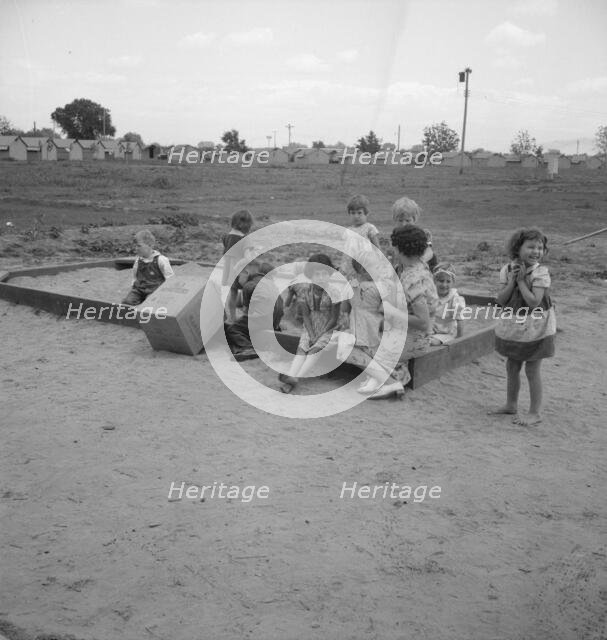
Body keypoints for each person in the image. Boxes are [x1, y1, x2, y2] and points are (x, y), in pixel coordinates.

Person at [347, 224, 438, 399]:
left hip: (414, 339)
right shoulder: (417, 265)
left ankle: (390, 383)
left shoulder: (412, 279)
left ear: (399, 248)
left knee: (348, 348)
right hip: (407, 334)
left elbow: (423, 321)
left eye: (393, 245)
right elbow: (428, 253)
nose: (390, 248)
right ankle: (392, 375)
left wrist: (390, 312)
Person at [490, 228, 556, 426]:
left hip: (537, 326)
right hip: (515, 325)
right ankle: (511, 404)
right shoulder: (507, 269)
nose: (536, 251)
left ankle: (535, 412)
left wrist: (521, 282)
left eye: (540, 247)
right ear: (518, 248)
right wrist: (512, 282)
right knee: (512, 365)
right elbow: (501, 299)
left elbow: (534, 301)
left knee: (532, 369)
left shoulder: (541, 272)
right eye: (531, 247)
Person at [278, 254, 342, 394]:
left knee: (314, 350)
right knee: (302, 348)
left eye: (324, 274)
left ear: (329, 274)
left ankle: (294, 377)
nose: (320, 277)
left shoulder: (335, 293)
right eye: (317, 274)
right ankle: (292, 376)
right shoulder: (305, 292)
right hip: (310, 326)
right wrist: (312, 333)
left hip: (329, 328)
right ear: (310, 276)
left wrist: (319, 334)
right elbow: (306, 316)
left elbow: (334, 319)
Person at [224, 261, 283, 359]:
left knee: (233, 329)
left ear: (245, 273)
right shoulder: (268, 282)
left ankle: (248, 348)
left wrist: (235, 321)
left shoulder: (249, 286)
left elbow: (246, 313)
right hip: (275, 320)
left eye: (238, 277)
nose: (237, 280)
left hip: (263, 318)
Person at [122, 229, 173, 305]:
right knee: (127, 302)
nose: (136, 248)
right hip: (139, 290)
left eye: (139, 246)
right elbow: (135, 277)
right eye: (135, 246)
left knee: (149, 303)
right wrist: (133, 289)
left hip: (154, 290)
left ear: (150, 245)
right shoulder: (138, 261)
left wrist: (166, 293)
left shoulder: (161, 260)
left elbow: (170, 278)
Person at [221, 209, 254, 321]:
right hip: (241, 272)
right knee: (249, 291)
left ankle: (233, 318)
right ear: (246, 225)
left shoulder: (226, 236)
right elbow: (248, 257)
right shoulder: (245, 239)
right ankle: (246, 316)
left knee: (233, 293)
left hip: (229, 270)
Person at [340, 194, 381, 280]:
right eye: (353, 213)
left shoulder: (369, 228)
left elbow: (377, 247)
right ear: (349, 214)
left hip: (365, 265)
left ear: (366, 213)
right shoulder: (347, 231)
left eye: (359, 213)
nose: (356, 216)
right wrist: (343, 267)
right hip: (350, 265)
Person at [391, 196, 437, 271]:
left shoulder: (421, 235)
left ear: (415, 219)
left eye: (408, 220)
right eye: (400, 220)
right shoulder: (396, 236)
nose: (404, 224)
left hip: (419, 268)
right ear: (394, 219)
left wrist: (419, 263)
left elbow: (429, 252)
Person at [430, 262, 466, 345]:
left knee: (432, 342)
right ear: (434, 281)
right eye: (441, 281)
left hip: (447, 333)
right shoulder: (431, 295)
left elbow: (460, 321)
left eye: (448, 281)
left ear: (453, 282)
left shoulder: (455, 299)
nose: (444, 284)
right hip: (432, 329)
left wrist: (459, 340)